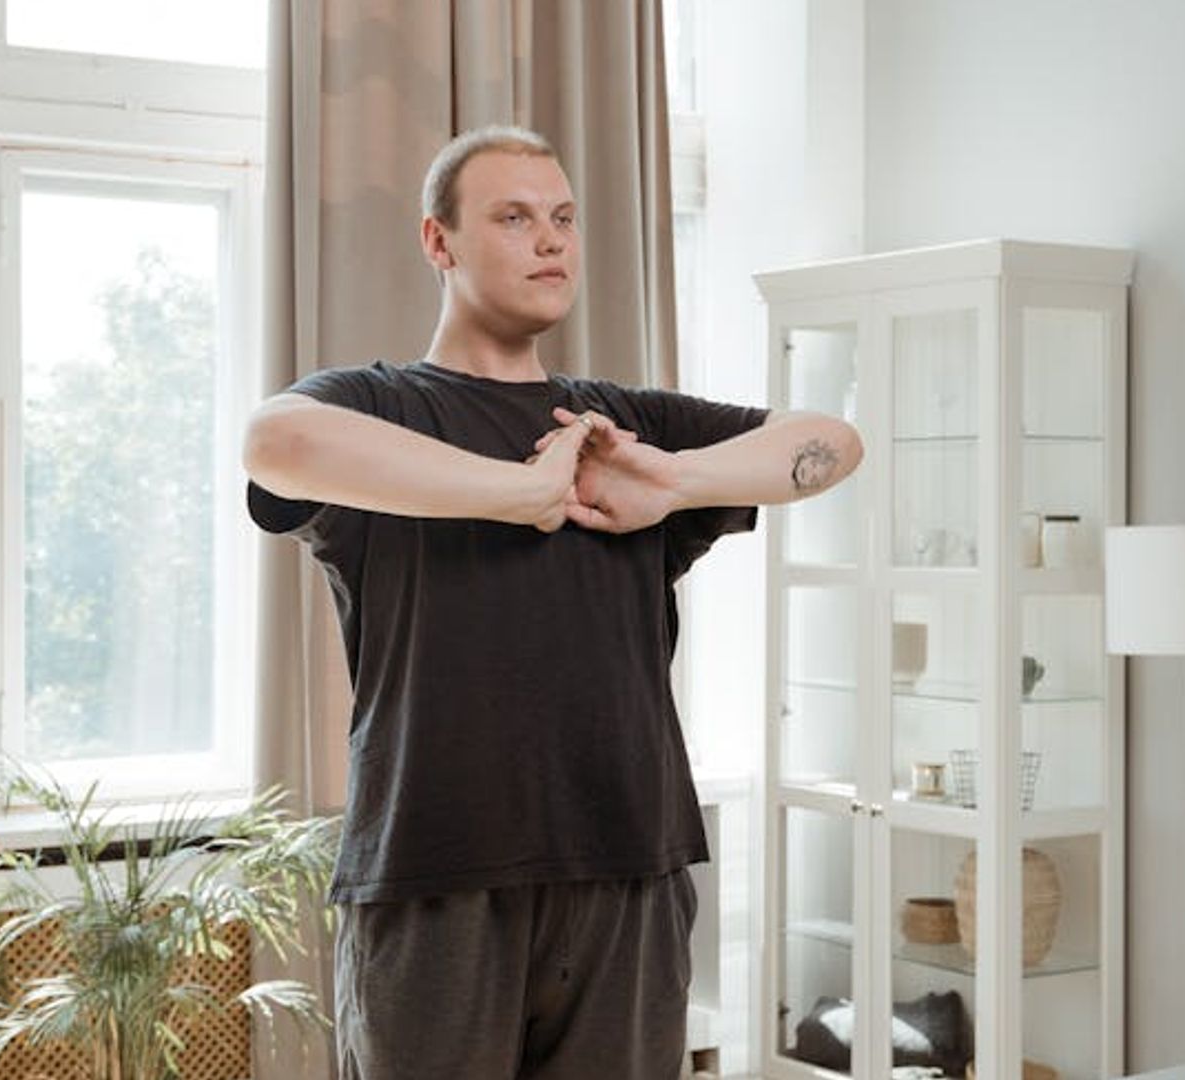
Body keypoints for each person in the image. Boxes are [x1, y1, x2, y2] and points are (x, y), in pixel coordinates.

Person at [243, 124, 862, 1080]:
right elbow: (274, 441)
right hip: (433, 878)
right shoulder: (380, 410)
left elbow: (830, 441)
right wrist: (516, 492)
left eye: (565, 219)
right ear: (438, 242)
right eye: (515, 217)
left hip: (631, 869)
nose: (552, 241)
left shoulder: (627, 428)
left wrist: (672, 481)